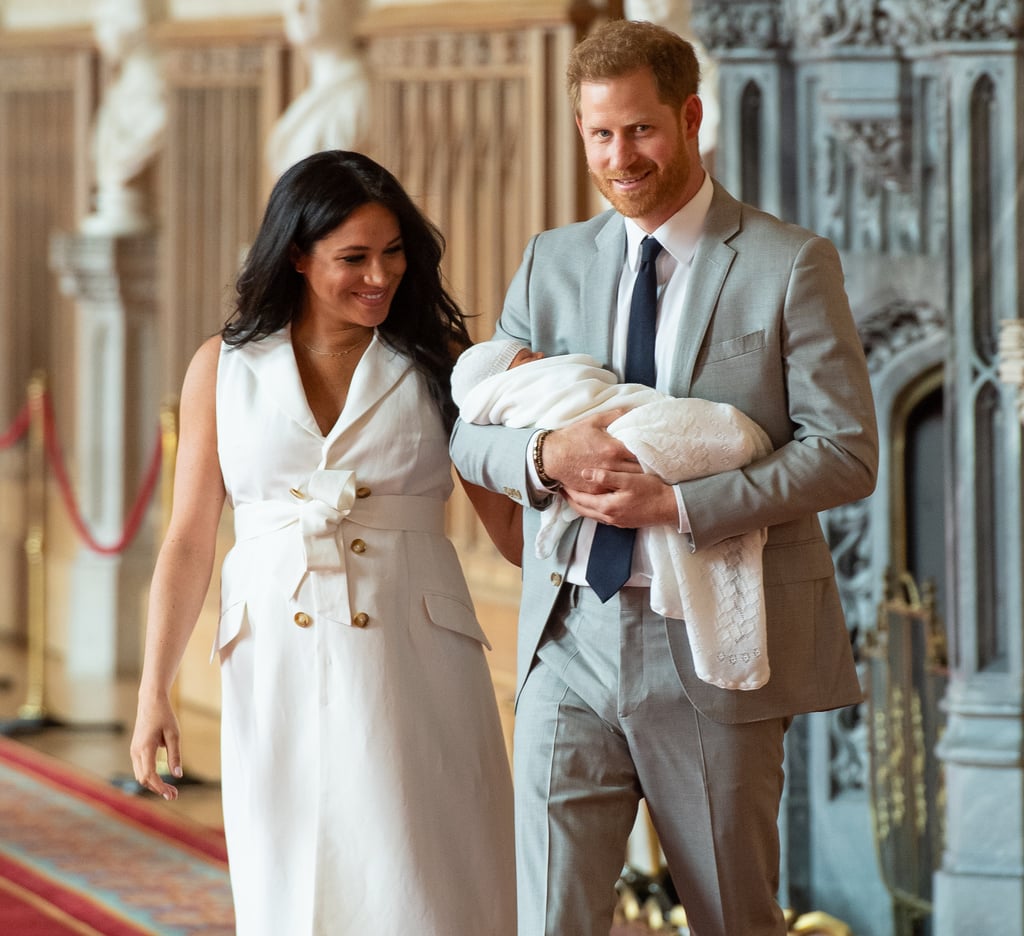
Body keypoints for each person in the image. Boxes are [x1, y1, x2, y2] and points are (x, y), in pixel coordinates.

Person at [449, 19, 879, 936]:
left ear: (689, 118)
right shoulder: (551, 261)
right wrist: (541, 455)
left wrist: (679, 502)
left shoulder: (789, 263)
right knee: (549, 919)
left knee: (732, 916)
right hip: (566, 635)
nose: (620, 156)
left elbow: (845, 452)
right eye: (599, 133)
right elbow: (471, 433)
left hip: (714, 641)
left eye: (640, 129)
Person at [130, 150, 516, 936]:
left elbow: (510, 530)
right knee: (292, 871)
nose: (381, 275)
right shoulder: (225, 368)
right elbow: (189, 541)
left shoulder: (440, 364)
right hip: (274, 653)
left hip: (417, 653)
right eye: (354, 257)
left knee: (429, 870)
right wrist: (153, 689)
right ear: (298, 257)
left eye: (394, 251)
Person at [451, 338, 774, 690]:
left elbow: (837, 449)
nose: (542, 356)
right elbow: (468, 438)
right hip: (563, 624)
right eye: (528, 358)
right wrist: (550, 453)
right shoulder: (533, 292)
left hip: (673, 628)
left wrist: (674, 505)